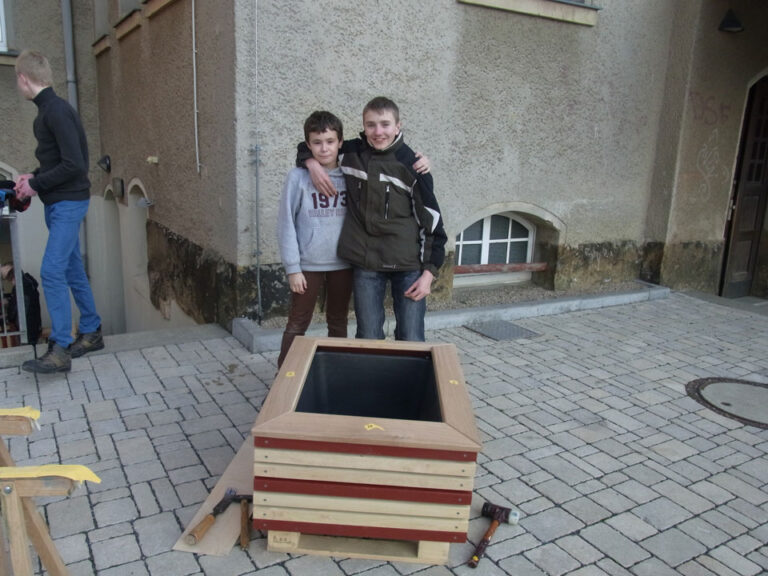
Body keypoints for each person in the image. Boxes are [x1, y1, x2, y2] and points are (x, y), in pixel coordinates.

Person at [299, 96, 447, 341]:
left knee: (411, 337)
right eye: (371, 125)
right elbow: (312, 145)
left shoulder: (413, 166)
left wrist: (429, 275)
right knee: (367, 336)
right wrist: (311, 163)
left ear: (398, 126)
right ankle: (371, 379)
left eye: (385, 124)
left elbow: (433, 225)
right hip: (366, 264)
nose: (378, 132)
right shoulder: (351, 152)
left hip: (408, 266)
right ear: (363, 125)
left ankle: (406, 380)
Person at [14, 50, 103, 373]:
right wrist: (34, 177)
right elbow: (59, 162)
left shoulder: (55, 112)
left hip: (67, 203)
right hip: (60, 202)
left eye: (17, 80)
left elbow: (74, 165)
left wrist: (37, 185)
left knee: (51, 271)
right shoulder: (50, 111)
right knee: (70, 270)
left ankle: (61, 347)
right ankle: (92, 331)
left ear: (23, 79)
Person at [277, 111, 353, 367]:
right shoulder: (297, 178)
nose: (324, 148)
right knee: (298, 323)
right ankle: (283, 379)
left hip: (343, 263)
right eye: (317, 142)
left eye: (330, 141)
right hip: (308, 265)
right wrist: (292, 268)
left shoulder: (351, 174)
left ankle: (336, 372)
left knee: (338, 321)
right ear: (308, 145)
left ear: (340, 142)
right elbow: (286, 223)